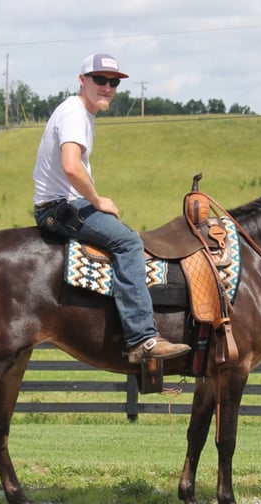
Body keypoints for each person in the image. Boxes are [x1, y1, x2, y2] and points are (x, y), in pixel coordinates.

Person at [32, 53, 191, 364]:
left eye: (113, 82)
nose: (107, 87)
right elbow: (71, 167)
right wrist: (97, 200)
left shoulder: (78, 113)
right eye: (99, 79)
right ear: (82, 80)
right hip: (61, 206)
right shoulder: (75, 114)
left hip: (62, 203)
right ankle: (143, 339)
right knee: (128, 242)